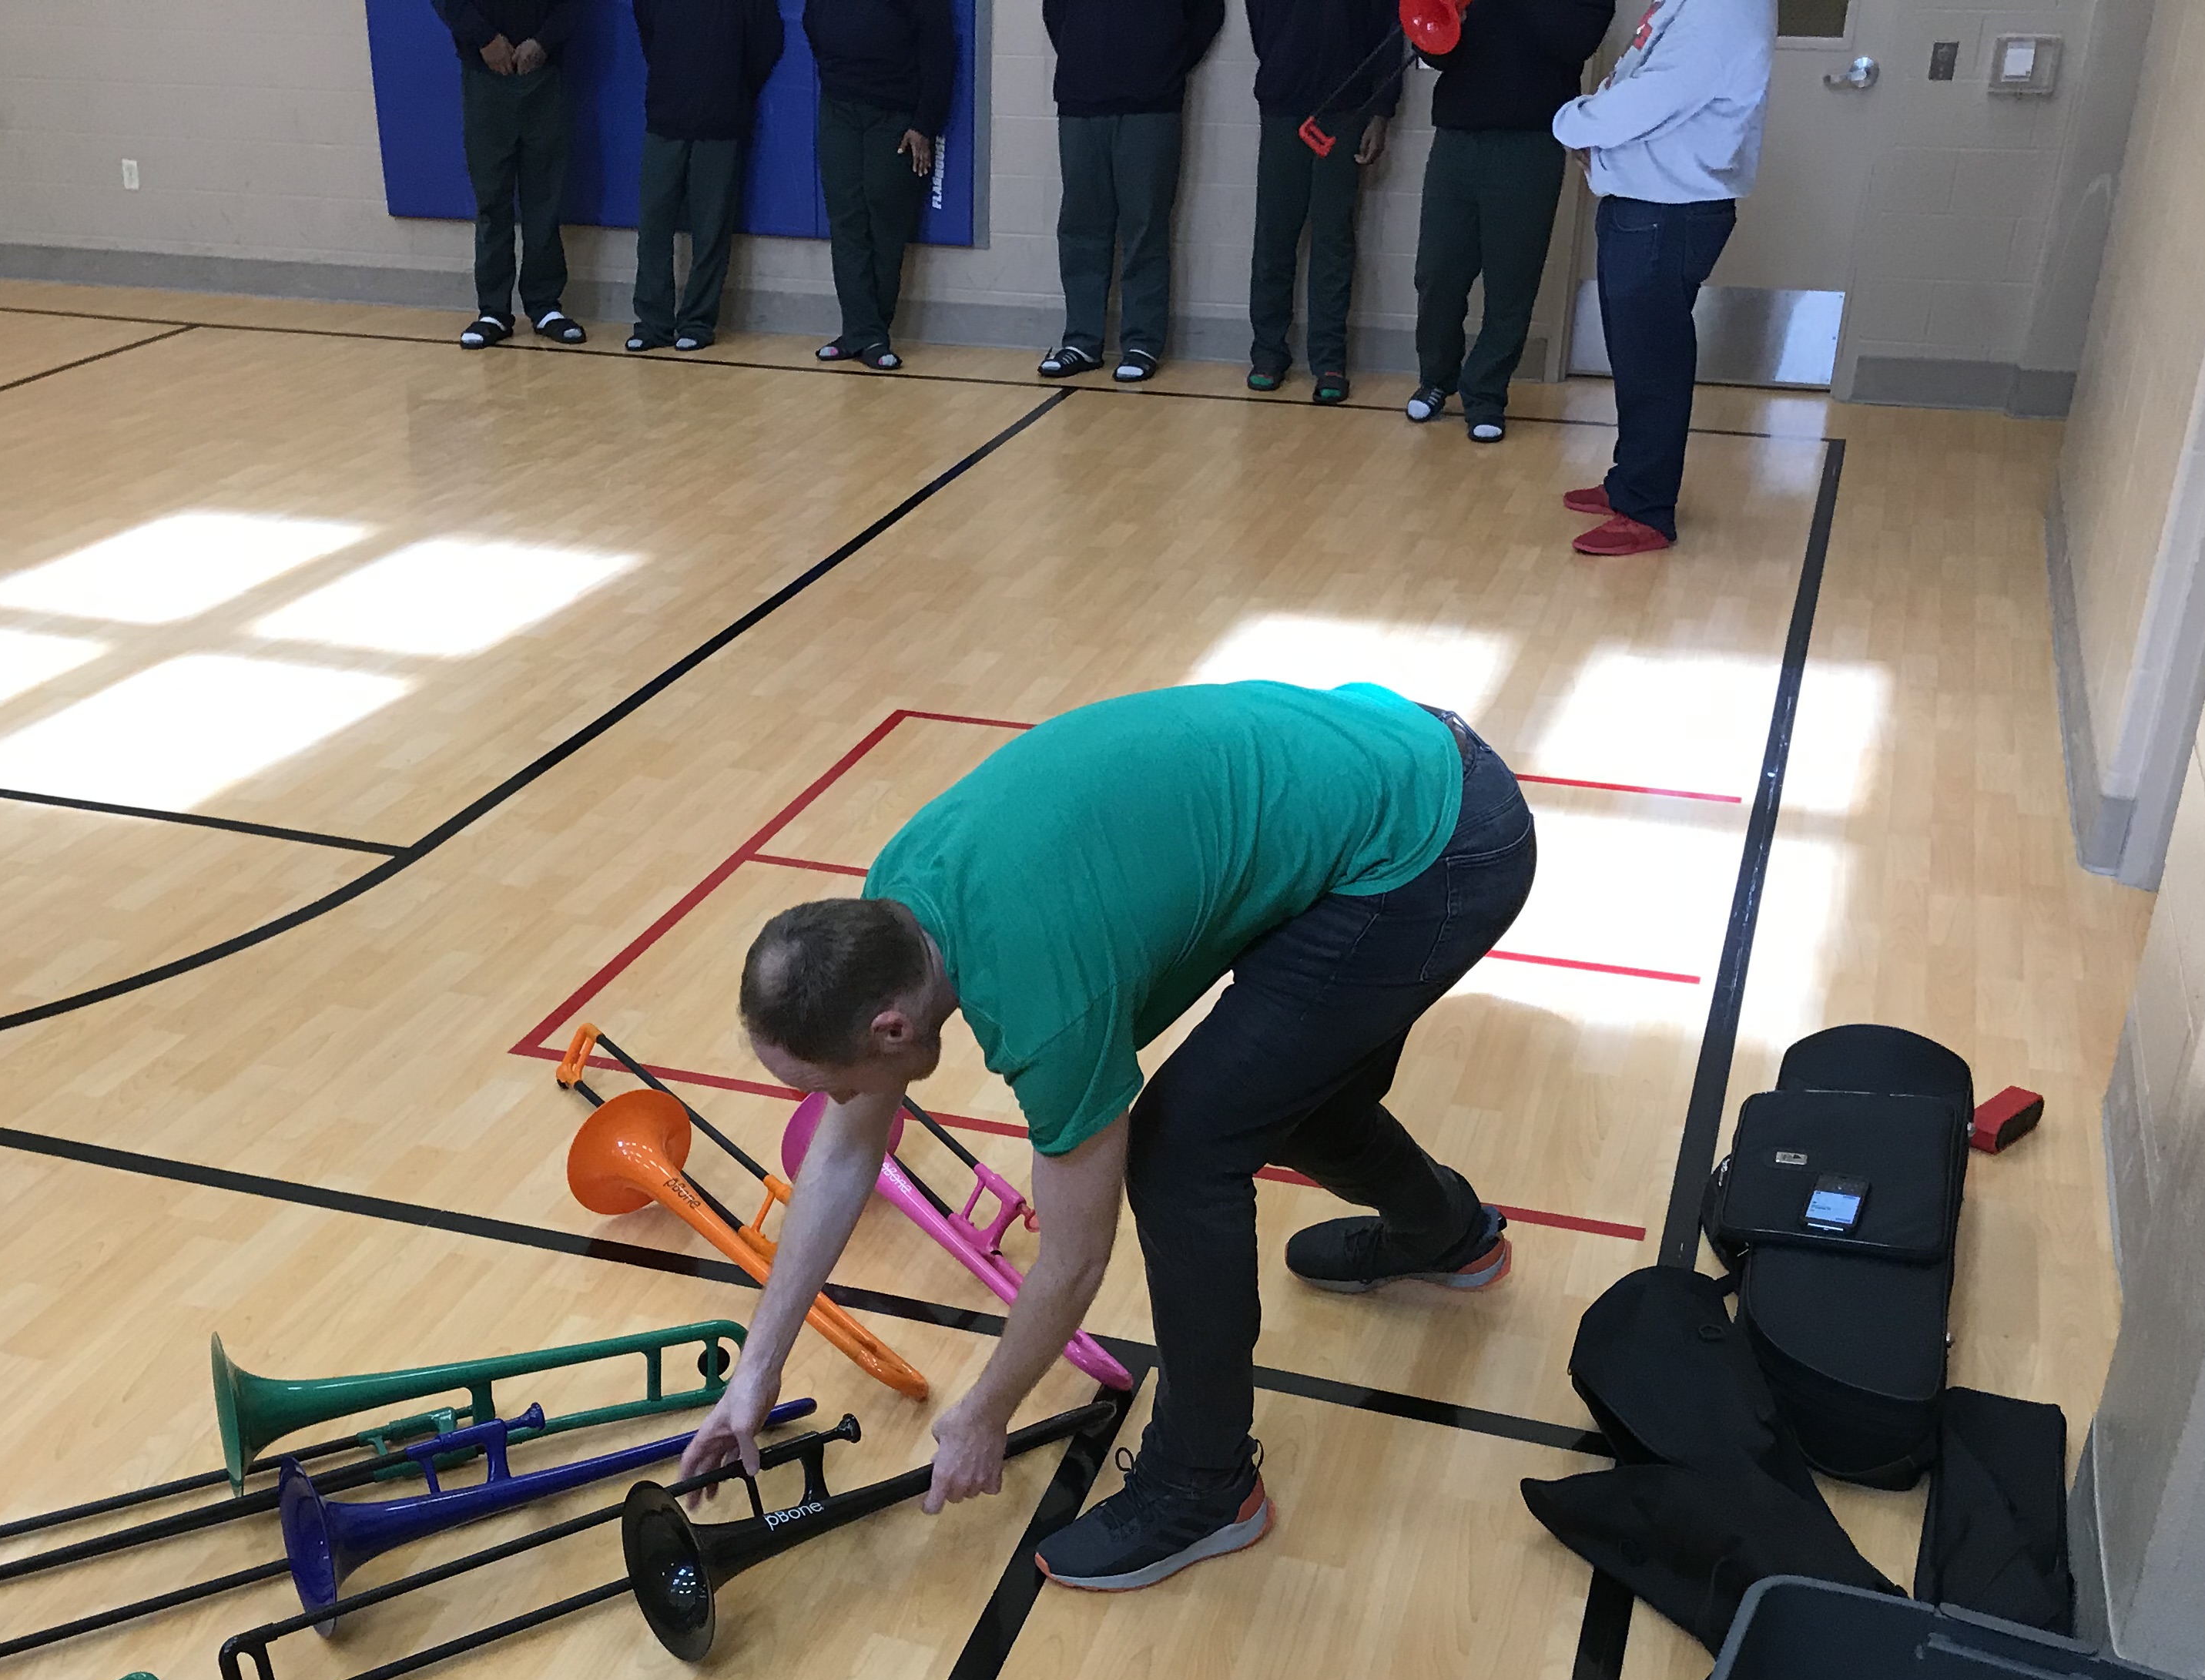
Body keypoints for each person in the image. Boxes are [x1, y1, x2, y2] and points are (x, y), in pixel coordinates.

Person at [676, 681, 1537, 1589]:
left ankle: (1205, 1484)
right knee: (1294, 1093)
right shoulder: (894, 906)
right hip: (1391, 764)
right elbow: (846, 1148)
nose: (846, 1102)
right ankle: (1447, 1235)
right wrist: (756, 1371)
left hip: (1433, 851)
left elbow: (1075, 1261)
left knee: (1183, 1151)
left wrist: (986, 1413)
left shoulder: (1044, 1002)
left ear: (890, 1030)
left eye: (840, 1081)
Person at [1548, 0, 1772, 552]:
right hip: (1646, 202)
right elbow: (1636, 72)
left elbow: (1658, 94)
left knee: (1653, 365)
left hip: (1668, 211)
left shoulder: (1724, 9)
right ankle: (1629, 483)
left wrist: (1573, 123)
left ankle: (1646, 510)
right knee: (1634, 356)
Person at [1405, 0, 1613, 441]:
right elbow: (1435, 52)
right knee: (1437, 272)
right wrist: (1445, 29)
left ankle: (1485, 394)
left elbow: (1575, 42)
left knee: (1511, 283)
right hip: (1456, 138)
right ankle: (1437, 379)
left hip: (1530, 144)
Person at [1040, 0, 1224, 383]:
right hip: (1081, 98)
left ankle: (1142, 343)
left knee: (1145, 225)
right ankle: (1082, 341)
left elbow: (1206, 14)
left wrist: (1164, 63)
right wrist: (1083, 56)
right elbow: (1055, 13)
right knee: (1080, 226)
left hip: (1152, 104)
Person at [1246, 0, 1402, 404]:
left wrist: (1381, 110)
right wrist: (1285, 66)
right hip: (1283, 106)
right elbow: (1261, 23)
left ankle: (1330, 361)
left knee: (1333, 237)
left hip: (1347, 109)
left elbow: (1389, 29)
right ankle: (1267, 353)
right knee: (1275, 235)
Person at [807, 0, 956, 370]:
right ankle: (859, 331)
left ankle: (871, 333)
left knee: (885, 222)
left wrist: (924, 123)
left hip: (895, 114)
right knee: (846, 221)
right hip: (838, 107)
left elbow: (941, 54)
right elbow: (813, 23)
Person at [630, 0, 786, 351]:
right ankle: (652, 324)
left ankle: (697, 322)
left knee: (711, 230)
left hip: (722, 120)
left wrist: (734, 87)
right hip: (665, 117)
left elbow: (767, 44)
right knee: (654, 226)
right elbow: (648, 30)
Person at [438, 0, 586, 349]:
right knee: (492, 200)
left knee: (545, 199)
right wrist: (485, 39)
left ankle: (545, 306)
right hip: (485, 75)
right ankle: (493, 311)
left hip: (544, 74)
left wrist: (545, 41)